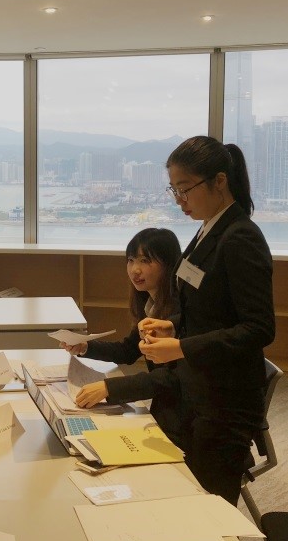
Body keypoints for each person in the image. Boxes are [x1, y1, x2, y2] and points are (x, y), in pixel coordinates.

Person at [77, 136, 275, 505]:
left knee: (208, 511)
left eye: (185, 189)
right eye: (174, 190)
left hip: (223, 402)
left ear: (219, 181)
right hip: (196, 393)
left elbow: (258, 328)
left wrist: (181, 345)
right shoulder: (208, 229)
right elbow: (209, 309)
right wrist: (171, 326)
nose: (179, 200)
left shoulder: (240, 237)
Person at [62, 228, 184, 441]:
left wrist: (109, 388)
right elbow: (127, 350)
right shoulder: (151, 304)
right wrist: (85, 347)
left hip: (181, 416)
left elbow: (172, 377)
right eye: (130, 260)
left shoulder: (178, 312)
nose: (135, 270)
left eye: (145, 261)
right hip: (166, 407)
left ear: (169, 264)